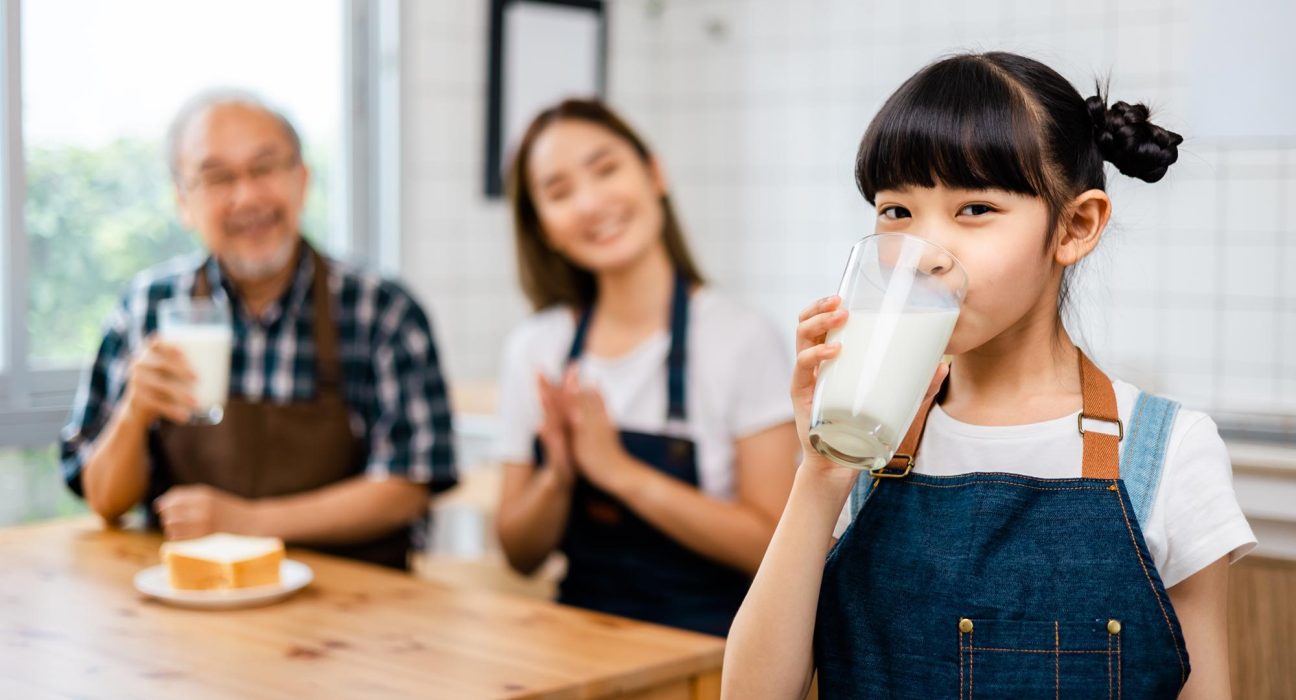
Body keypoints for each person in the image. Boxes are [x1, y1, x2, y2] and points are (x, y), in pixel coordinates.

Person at [723, 52, 1255, 698]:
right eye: (897, 212)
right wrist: (822, 474)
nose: (925, 255)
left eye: (973, 209)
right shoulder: (865, 440)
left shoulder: (1169, 451)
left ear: (1075, 226)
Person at [59, 89, 457, 570]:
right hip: (191, 605)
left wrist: (247, 521)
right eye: (217, 177)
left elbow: (407, 488)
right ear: (184, 203)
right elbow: (104, 501)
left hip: (355, 611)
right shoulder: (147, 308)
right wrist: (135, 410)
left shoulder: (381, 309)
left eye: (264, 168)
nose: (246, 196)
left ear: (302, 182)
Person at [492, 99, 799, 636]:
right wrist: (557, 477)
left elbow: (773, 548)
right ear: (543, 228)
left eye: (606, 169)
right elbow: (520, 554)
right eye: (559, 192)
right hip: (575, 643)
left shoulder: (742, 337)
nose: (590, 202)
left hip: (708, 650)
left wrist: (620, 473)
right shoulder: (535, 349)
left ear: (654, 173)